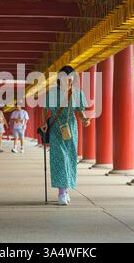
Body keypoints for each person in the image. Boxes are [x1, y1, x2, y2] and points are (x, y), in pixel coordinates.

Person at [40, 66, 91, 206]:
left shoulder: (78, 93)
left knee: (70, 158)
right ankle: (61, 193)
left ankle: (66, 190)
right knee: (60, 158)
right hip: (56, 127)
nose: (67, 82)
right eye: (64, 79)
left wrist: (84, 119)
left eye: (70, 79)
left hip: (71, 128)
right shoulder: (51, 93)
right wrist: (44, 122)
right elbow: (45, 109)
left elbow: (79, 111)